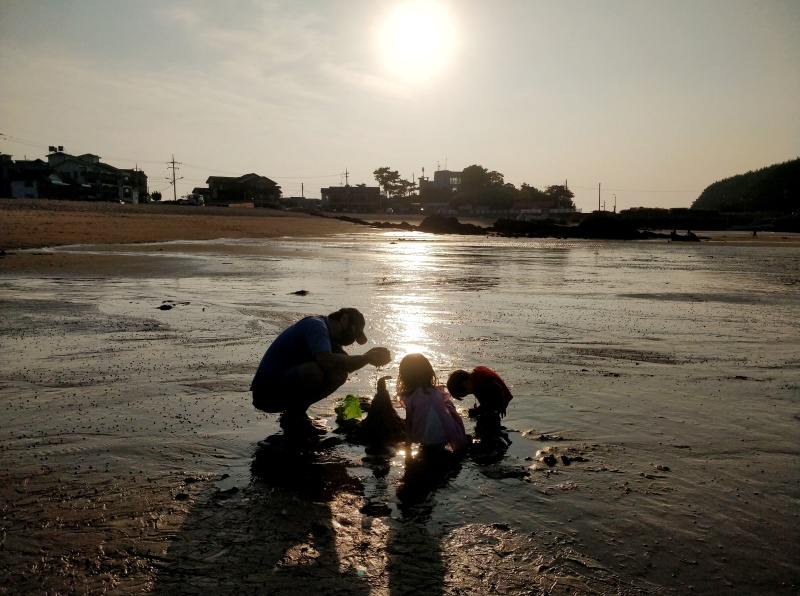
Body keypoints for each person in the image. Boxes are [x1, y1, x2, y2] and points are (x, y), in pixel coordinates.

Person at [250, 308, 391, 436]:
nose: (352, 340)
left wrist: (370, 355)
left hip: (283, 388)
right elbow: (325, 360)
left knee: (340, 374)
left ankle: (296, 413)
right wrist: (366, 358)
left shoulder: (331, 340)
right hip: (266, 391)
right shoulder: (316, 325)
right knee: (312, 371)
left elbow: (347, 365)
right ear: (344, 319)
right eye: (354, 333)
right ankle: (294, 417)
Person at [397, 353, 468, 453]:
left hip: (424, 439)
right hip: (444, 437)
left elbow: (409, 421)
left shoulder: (411, 395)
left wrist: (408, 445)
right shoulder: (435, 392)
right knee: (449, 404)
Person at [447, 366, 513, 441]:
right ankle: (484, 411)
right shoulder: (475, 375)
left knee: (488, 414)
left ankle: (491, 422)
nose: (470, 394)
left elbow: (499, 388)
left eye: (467, 393)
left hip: (501, 398)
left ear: (465, 383)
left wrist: (502, 406)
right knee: (477, 392)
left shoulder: (482, 380)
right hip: (492, 393)